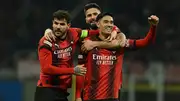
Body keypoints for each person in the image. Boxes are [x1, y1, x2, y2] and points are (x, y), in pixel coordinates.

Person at [76, 13, 159, 101]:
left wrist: (153, 27)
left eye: (111, 22)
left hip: (112, 97)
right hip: (90, 97)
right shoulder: (87, 43)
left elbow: (145, 42)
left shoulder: (121, 44)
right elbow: (80, 71)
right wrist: (77, 96)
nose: (109, 25)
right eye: (106, 22)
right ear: (98, 24)